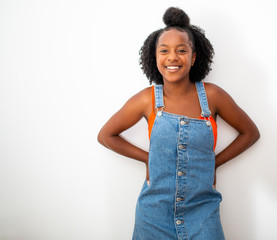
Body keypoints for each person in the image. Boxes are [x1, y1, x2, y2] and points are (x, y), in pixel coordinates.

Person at [98, 7, 260, 240]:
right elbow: (106, 136)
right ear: (155, 57)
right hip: (153, 215)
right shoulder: (147, 99)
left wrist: (214, 163)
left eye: (181, 50)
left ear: (193, 58)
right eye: (164, 51)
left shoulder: (213, 96)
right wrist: (147, 158)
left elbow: (250, 133)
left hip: (203, 211)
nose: (172, 57)